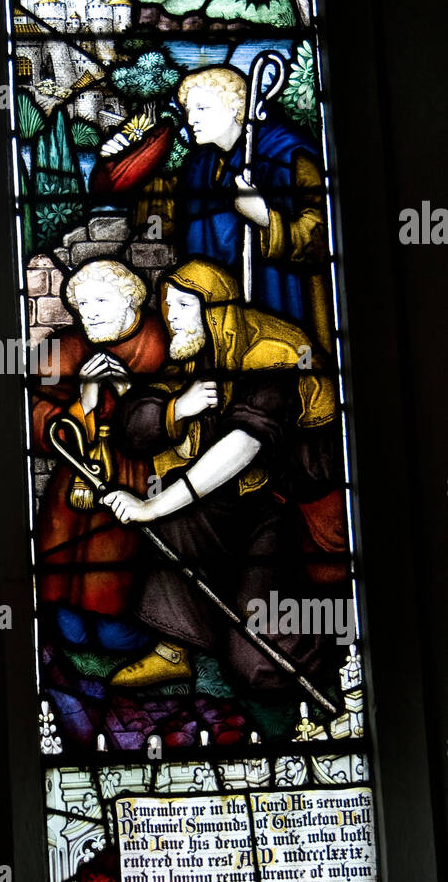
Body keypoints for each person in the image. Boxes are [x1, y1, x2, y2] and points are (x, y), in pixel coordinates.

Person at [102, 257, 343, 730]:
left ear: (214, 310)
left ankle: (334, 638)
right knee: (176, 515)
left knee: (259, 665)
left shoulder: (274, 352)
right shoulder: (198, 352)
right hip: (230, 507)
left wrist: (149, 506)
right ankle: (176, 648)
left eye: (180, 308)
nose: (170, 318)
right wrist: (178, 407)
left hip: (286, 514)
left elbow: (242, 446)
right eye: (166, 307)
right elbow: (133, 425)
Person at [32, 258, 173, 677]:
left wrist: (132, 394)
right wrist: (86, 400)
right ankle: (68, 617)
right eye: (80, 304)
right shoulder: (66, 348)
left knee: (115, 618)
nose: (86, 312)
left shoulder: (160, 342)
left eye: (99, 301)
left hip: (138, 477)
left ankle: (141, 629)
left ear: (132, 302)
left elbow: (184, 416)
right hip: (76, 475)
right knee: (70, 624)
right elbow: (34, 417)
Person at [176, 66, 333, 351]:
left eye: (202, 108)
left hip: (286, 305)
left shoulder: (285, 152)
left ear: (237, 107)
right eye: (188, 109)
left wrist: (264, 217)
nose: (191, 119)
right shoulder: (198, 167)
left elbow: (323, 234)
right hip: (223, 319)